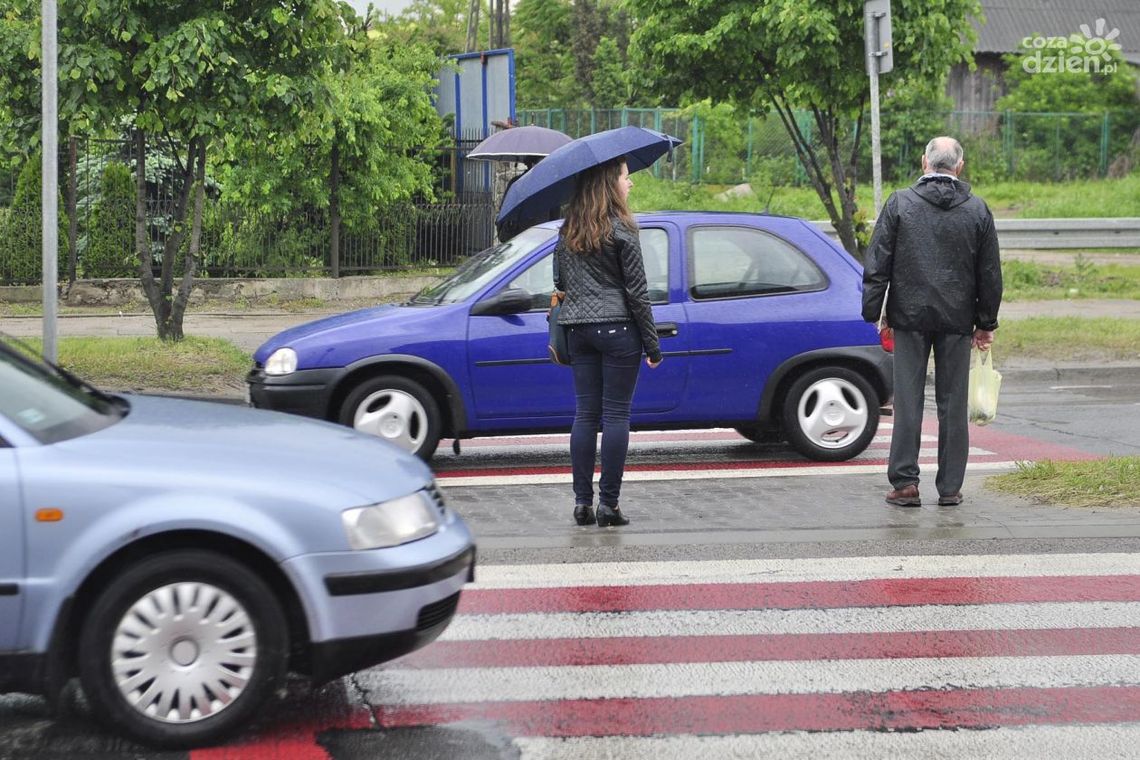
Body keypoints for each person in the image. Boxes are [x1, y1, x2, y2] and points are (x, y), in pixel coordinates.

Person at [861, 136, 1002, 508]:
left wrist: (873, 312)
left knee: (908, 400)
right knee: (953, 404)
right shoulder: (977, 210)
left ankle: (905, 483)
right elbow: (990, 272)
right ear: (960, 166)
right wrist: (986, 322)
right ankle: (951, 488)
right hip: (958, 319)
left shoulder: (899, 203)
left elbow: (878, 263)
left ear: (925, 162)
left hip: (908, 317)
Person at [554, 157, 662, 527]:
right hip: (618, 330)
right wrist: (653, 345)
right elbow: (638, 292)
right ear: (609, 185)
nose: (630, 184)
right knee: (616, 415)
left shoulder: (568, 231)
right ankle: (609, 505)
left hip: (578, 330)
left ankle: (582, 503)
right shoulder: (623, 230)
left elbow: (559, 283)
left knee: (585, 414)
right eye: (626, 178)